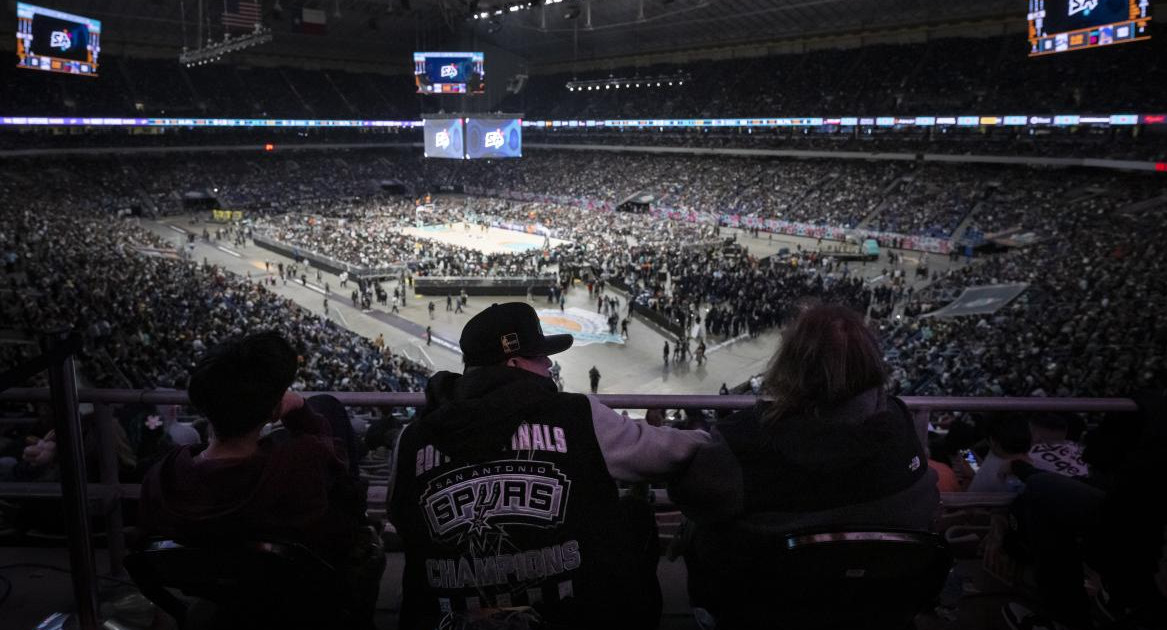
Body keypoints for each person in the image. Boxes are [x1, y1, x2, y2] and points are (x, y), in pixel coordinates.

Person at [387, 302, 710, 630]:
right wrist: (717, 438)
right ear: (514, 363)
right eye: (539, 356)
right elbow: (666, 453)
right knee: (634, 514)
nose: (549, 364)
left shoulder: (411, 440)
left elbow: (400, 519)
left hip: (451, 619)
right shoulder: (577, 416)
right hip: (570, 616)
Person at [669, 304, 938, 628]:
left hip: (761, 604)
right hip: (874, 603)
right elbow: (926, 498)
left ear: (791, 366)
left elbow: (689, 496)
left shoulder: (748, 439)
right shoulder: (900, 421)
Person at [138, 332, 383, 627]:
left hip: (218, 591)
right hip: (302, 597)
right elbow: (344, 479)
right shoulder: (300, 464)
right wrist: (302, 412)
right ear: (273, 410)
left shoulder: (163, 476)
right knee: (327, 406)